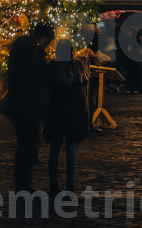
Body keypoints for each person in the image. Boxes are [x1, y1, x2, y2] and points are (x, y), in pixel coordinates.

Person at [6, 22, 55, 192]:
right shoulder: (30, 52)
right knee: (26, 144)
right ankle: (23, 184)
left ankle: (23, 181)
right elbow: (30, 78)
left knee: (25, 143)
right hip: (28, 104)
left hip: (23, 103)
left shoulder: (23, 49)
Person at [44, 39, 88, 194]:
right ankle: (70, 184)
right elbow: (84, 80)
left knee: (54, 150)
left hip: (55, 111)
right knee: (71, 150)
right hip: (73, 112)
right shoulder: (76, 67)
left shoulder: (51, 67)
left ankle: (53, 184)